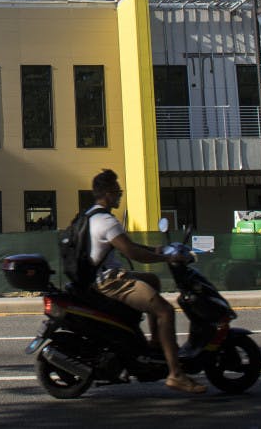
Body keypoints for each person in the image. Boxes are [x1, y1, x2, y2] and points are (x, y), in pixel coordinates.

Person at [87, 168, 207, 394]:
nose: (120, 195)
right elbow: (132, 253)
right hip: (110, 281)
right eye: (117, 191)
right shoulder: (106, 221)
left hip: (98, 277)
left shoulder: (92, 215)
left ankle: (155, 343)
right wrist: (166, 258)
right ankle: (176, 374)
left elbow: (127, 245)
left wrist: (155, 249)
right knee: (165, 311)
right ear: (107, 193)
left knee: (152, 280)